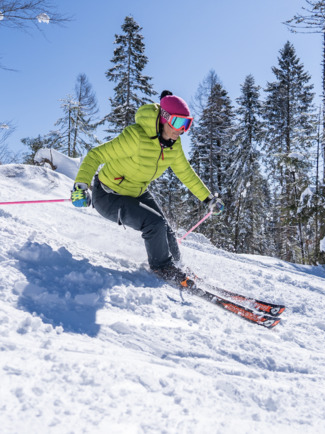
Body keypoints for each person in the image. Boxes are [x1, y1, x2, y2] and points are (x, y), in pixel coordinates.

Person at [71, 90, 224, 289]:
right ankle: (163, 267)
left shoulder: (173, 146)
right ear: (164, 118)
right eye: (178, 123)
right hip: (108, 194)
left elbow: (186, 173)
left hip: (136, 191)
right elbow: (95, 155)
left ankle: (177, 266)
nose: (181, 130)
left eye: (187, 125)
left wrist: (208, 199)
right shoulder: (136, 137)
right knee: (155, 224)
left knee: (166, 229)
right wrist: (81, 186)